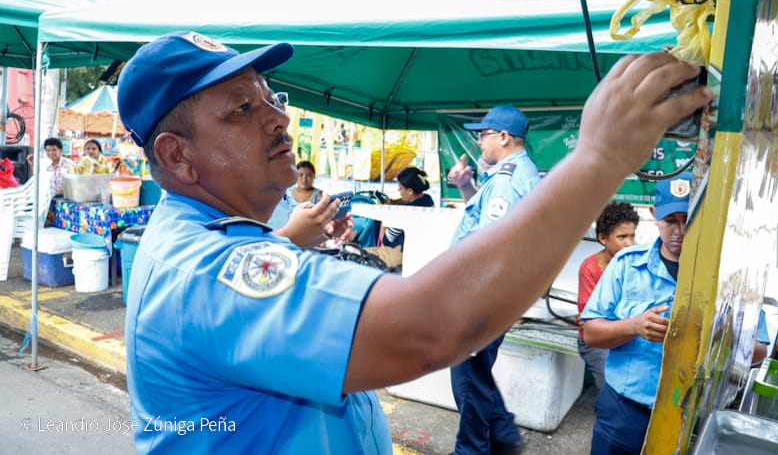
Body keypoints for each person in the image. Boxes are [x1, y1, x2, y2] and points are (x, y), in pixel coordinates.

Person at [116, 30, 713, 453]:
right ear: (177, 156)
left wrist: (298, 249)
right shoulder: (207, 270)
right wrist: (600, 158)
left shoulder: (218, 236)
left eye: (271, 97)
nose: (277, 118)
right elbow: (427, 328)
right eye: (242, 109)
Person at [447, 104, 540, 454]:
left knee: (468, 377)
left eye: (483, 135)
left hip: (482, 297)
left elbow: (488, 248)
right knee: (477, 374)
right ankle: (503, 438)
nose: (479, 142)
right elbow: (486, 219)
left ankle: (474, 448)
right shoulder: (515, 173)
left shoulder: (506, 179)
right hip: (497, 294)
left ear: (503, 137)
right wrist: (465, 185)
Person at [581, 173, 692, 454]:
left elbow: (758, 350)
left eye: (688, 220)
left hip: (688, 415)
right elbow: (591, 333)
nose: (679, 230)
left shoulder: (722, 273)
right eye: (670, 221)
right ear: (654, 215)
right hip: (625, 410)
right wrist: (634, 326)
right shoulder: (626, 265)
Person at [577, 201, 639, 391]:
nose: (629, 243)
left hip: (627, 333)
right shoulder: (590, 269)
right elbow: (589, 321)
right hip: (598, 340)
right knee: (612, 388)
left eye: (632, 236)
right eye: (622, 237)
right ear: (603, 238)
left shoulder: (635, 262)